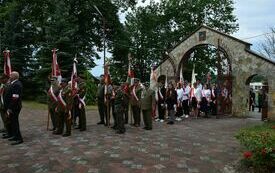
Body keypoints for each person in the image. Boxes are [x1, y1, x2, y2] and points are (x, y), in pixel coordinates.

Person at [4, 71, 23, 145]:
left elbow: (15, 97)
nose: (10, 76)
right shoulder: (13, 83)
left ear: (15, 76)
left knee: (15, 123)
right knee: (12, 122)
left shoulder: (17, 84)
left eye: (11, 75)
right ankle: (15, 136)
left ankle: (19, 138)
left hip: (14, 107)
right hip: (11, 107)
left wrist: (10, 108)